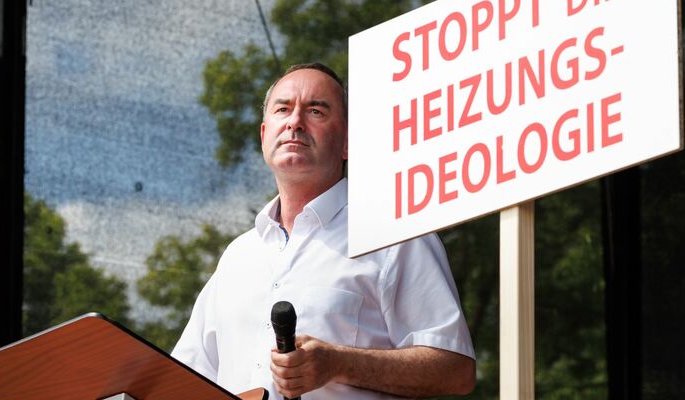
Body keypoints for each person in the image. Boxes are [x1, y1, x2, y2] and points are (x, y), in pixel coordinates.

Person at [172, 63, 475, 399]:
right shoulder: (238, 256)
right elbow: (180, 381)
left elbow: (456, 370)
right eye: (283, 109)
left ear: (347, 143)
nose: (294, 122)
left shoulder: (392, 236)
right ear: (264, 135)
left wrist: (339, 364)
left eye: (315, 111)